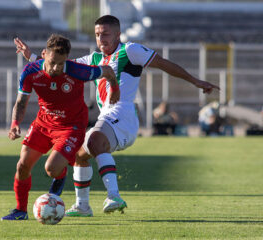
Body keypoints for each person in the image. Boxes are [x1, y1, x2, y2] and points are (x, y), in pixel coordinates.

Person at [14, 15, 220, 217]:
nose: (101, 39)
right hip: (107, 117)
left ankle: (113, 196)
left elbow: (163, 63)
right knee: (78, 155)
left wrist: (196, 81)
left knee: (94, 140)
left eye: (105, 34)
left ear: (118, 34)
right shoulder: (94, 59)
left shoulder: (130, 50)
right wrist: (32, 57)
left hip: (123, 115)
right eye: (97, 34)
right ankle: (83, 206)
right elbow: (60, 65)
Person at [1, 34, 120, 220]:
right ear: (43, 55)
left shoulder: (77, 70)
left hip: (71, 127)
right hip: (43, 123)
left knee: (52, 169)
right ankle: (20, 211)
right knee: (22, 166)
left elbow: (107, 71)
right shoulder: (30, 72)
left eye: (61, 63)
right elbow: (21, 102)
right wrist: (15, 124)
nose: (56, 68)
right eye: (53, 62)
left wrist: (114, 87)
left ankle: (60, 174)